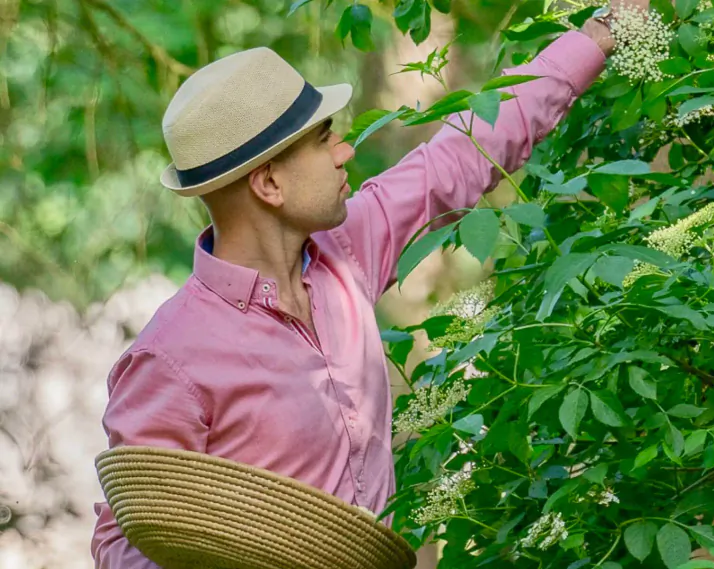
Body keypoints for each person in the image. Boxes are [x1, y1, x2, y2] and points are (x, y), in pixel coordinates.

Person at [91, 3, 638, 567]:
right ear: (270, 182)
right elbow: (127, 540)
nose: (345, 152)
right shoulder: (173, 357)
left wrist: (597, 35)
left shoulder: (346, 249)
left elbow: (462, 155)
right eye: (324, 139)